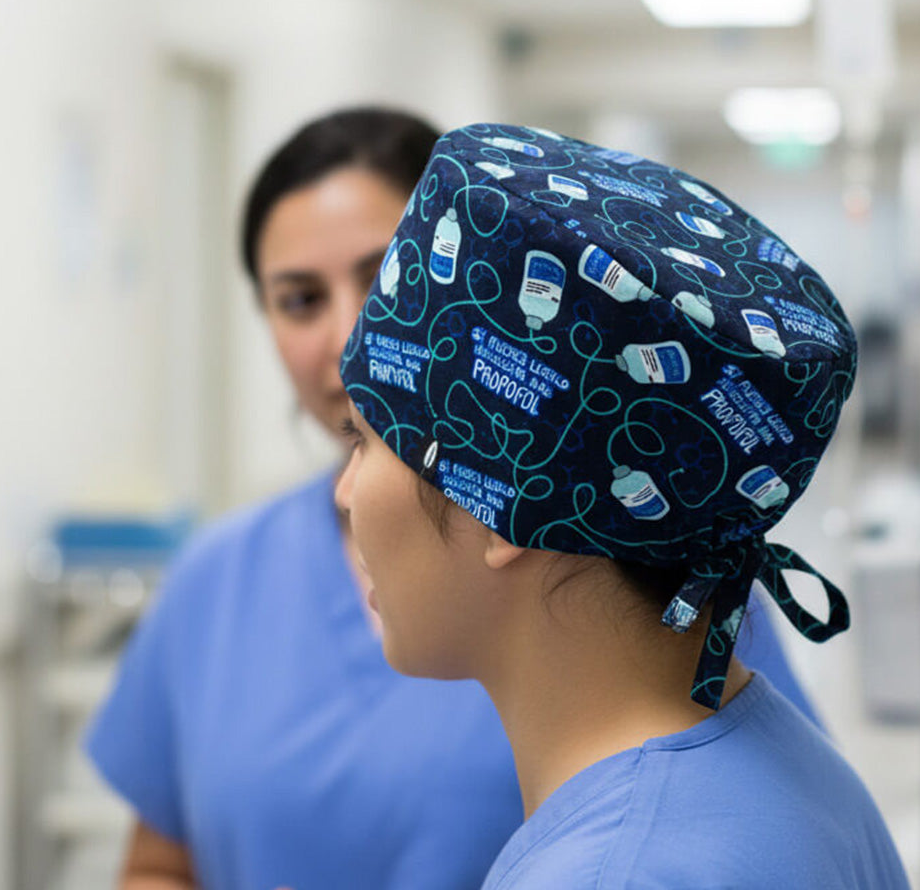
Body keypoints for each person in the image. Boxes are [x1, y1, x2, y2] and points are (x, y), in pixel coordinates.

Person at [86, 109, 819, 890]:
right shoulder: (215, 580)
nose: (346, 336)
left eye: (380, 280)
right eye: (300, 299)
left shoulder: (656, 595)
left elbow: (737, 820)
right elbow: (157, 862)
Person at [335, 122, 911, 889]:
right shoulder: (782, 767)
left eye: (363, 439)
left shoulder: (617, 868)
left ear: (499, 502)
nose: (344, 493)